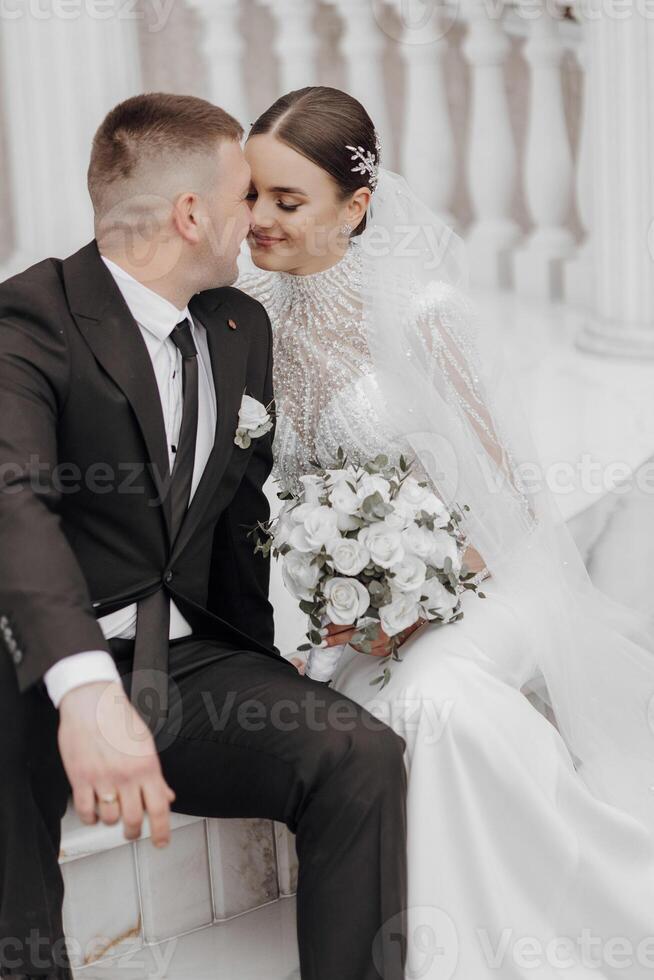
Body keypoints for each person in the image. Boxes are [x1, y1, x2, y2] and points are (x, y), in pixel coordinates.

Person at [237, 85, 654, 979]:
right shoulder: (245, 322)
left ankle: (562, 926)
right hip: (355, 613)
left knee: (440, 708)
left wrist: (425, 584)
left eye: (286, 199)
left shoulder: (420, 311)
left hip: (489, 581)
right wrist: (355, 605)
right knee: (399, 717)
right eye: (251, 194)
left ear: (356, 208)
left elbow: (507, 494)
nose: (259, 219)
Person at [0, 92, 408, 980]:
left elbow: (236, 522)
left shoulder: (237, 324)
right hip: (33, 662)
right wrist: (82, 691)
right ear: (192, 214)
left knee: (361, 756)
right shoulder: (27, 321)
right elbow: (13, 509)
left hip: (182, 663)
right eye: (243, 196)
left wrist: (264, 659)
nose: (253, 219)